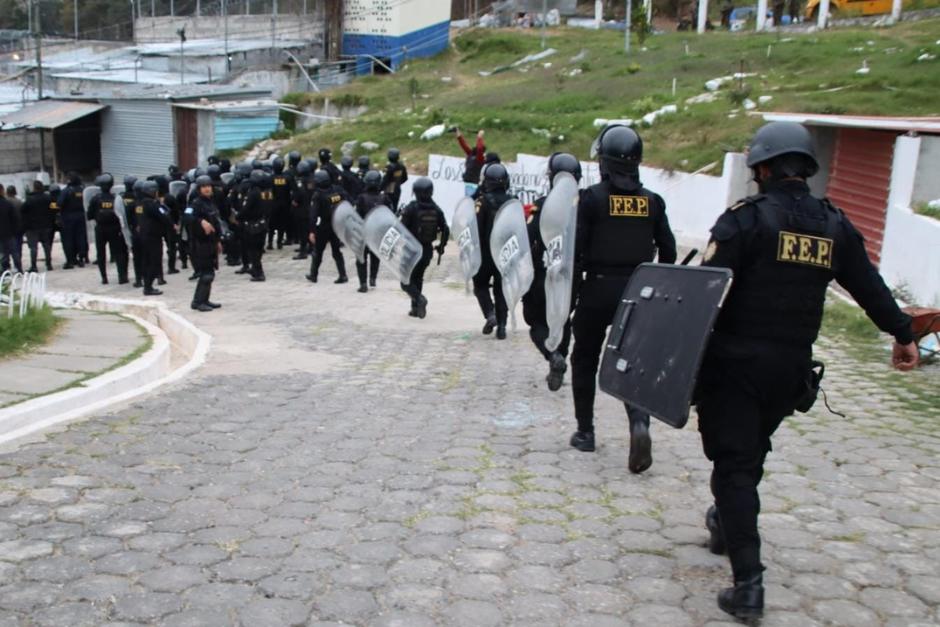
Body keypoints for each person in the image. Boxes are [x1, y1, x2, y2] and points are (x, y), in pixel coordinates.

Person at [695, 121, 919, 620]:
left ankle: (748, 586)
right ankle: (725, 523)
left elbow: (702, 295)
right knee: (750, 450)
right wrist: (902, 335)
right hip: (790, 371)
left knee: (733, 464)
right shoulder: (833, 225)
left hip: (736, 368)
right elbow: (870, 288)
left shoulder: (744, 221)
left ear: (765, 169)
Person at [569, 125, 676, 474]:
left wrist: (567, 298)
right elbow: (669, 251)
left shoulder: (591, 199)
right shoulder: (653, 202)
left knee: (584, 357)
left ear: (604, 162)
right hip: (638, 293)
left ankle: (585, 432)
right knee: (630, 362)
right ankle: (639, 423)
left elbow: (575, 250)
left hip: (597, 289)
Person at [522, 152, 582, 392]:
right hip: (571, 277)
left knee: (536, 320)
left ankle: (553, 355)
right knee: (563, 319)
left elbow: (529, 239)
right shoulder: (584, 204)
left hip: (542, 274)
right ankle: (560, 358)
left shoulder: (543, 205)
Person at [472, 162, 514, 340]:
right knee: (501, 289)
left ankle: (490, 314)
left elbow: (475, 228)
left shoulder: (482, 202)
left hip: (485, 253)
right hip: (504, 253)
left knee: (480, 286)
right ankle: (502, 326)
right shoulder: (513, 202)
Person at [399, 177, 449, 318]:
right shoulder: (436, 209)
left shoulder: (411, 208)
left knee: (405, 281)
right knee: (418, 278)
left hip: (411, 250)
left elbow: (401, 228)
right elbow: (445, 229)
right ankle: (415, 309)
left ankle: (419, 300)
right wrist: (441, 246)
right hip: (427, 250)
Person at [188, 175, 223, 312]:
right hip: (200, 244)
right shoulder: (195, 203)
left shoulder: (211, 203)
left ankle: (203, 300)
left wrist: (218, 241)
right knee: (206, 274)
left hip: (211, 243)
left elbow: (216, 223)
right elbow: (187, 216)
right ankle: (198, 302)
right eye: (204, 187)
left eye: (208, 186)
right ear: (199, 189)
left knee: (210, 273)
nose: (207, 189)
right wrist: (201, 222)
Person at [306, 170, 348, 284]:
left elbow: (313, 215)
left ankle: (313, 275)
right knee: (337, 251)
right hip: (337, 224)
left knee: (318, 251)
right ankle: (343, 274)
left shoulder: (318, 195)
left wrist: (312, 231)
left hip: (324, 226)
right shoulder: (337, 190)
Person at [86, 174, 129, 285]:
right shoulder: (116, 198)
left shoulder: (96, 199)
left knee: (101, 254)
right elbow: (122, 214)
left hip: (100, 229)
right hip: (115, 229)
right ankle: (122, 277)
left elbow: (89, 215)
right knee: (119, 253)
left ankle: (104, 278)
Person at [353, 170, 388, 292]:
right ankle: (372, 278)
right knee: (375, 257)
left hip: (364, 232)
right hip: (378, 232)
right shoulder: (384, 198)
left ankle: (363, 283)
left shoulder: (361, 198)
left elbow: (356, 216)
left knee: (361, 258)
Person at [138, 180, 172, 296]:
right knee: (155, 261)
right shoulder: (152, 204)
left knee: (147, 261)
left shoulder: (141, 203)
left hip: (145, 236)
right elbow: (164, 215)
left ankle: (147, 285)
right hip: (153, 237)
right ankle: (148, 287)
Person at [239, 170, 272, 282]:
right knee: (257, 249)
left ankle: (258, 272)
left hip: (253, 224)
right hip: (262, 223)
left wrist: (238, 217)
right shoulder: (265, 192)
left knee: (253, 250)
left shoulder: (253, 193)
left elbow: (246, 208)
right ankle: (255, 269)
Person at [21, 181, 54, 272]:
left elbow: (22, 209)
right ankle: (49, 264)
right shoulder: (48, 198)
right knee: (46, 245)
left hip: (32, 227)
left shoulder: (29, 199)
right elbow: (54, 209)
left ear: (34, 188)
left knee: (33, 247)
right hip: (46, 225)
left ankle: (34, 266)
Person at [58, 173, 87, 269]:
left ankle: (70, 260)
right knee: (81, 237)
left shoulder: (66, 191)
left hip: (68, 218)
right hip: (81, 217)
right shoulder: (83, 190)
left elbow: (60, 203)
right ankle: (82, 258)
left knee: (68, 239)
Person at [122, 177, 144, 287]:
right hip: (147, 234)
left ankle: (139, 279)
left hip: (137, 234)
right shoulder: (150, 203)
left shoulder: (129, 203)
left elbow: (127, 220)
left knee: (138, 258)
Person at [291, 160, 315, 261]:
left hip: (302, 209)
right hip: (311, 207)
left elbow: (299, 194)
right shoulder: (313, 179)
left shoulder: (300, 181)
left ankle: (303, 251)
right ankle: (311, 248)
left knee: (302, 231)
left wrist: (295, 201)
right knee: (309, 229)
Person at [269, 157, 294, 250]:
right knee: (282, 224)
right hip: (285, 204)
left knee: (271, 224)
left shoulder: (270, 178)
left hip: (273, 204)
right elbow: (293, 190)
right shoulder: (287, 178)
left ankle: (270, 242)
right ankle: (279, 242)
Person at [0, 186, 21, 273]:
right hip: (9, 232)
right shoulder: (8, 203)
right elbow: (15, 218)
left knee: (2, 253)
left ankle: (4, 270)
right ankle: (18, 268)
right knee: (14, 251)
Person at [382, 148, 408, 212]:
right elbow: (405, 178)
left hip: (389, 190)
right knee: (394, 208)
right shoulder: (402, 166)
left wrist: (379, 189)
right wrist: (397, 183)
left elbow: (385, 180)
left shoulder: (388, 167)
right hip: (397, 189)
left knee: (386, 209)